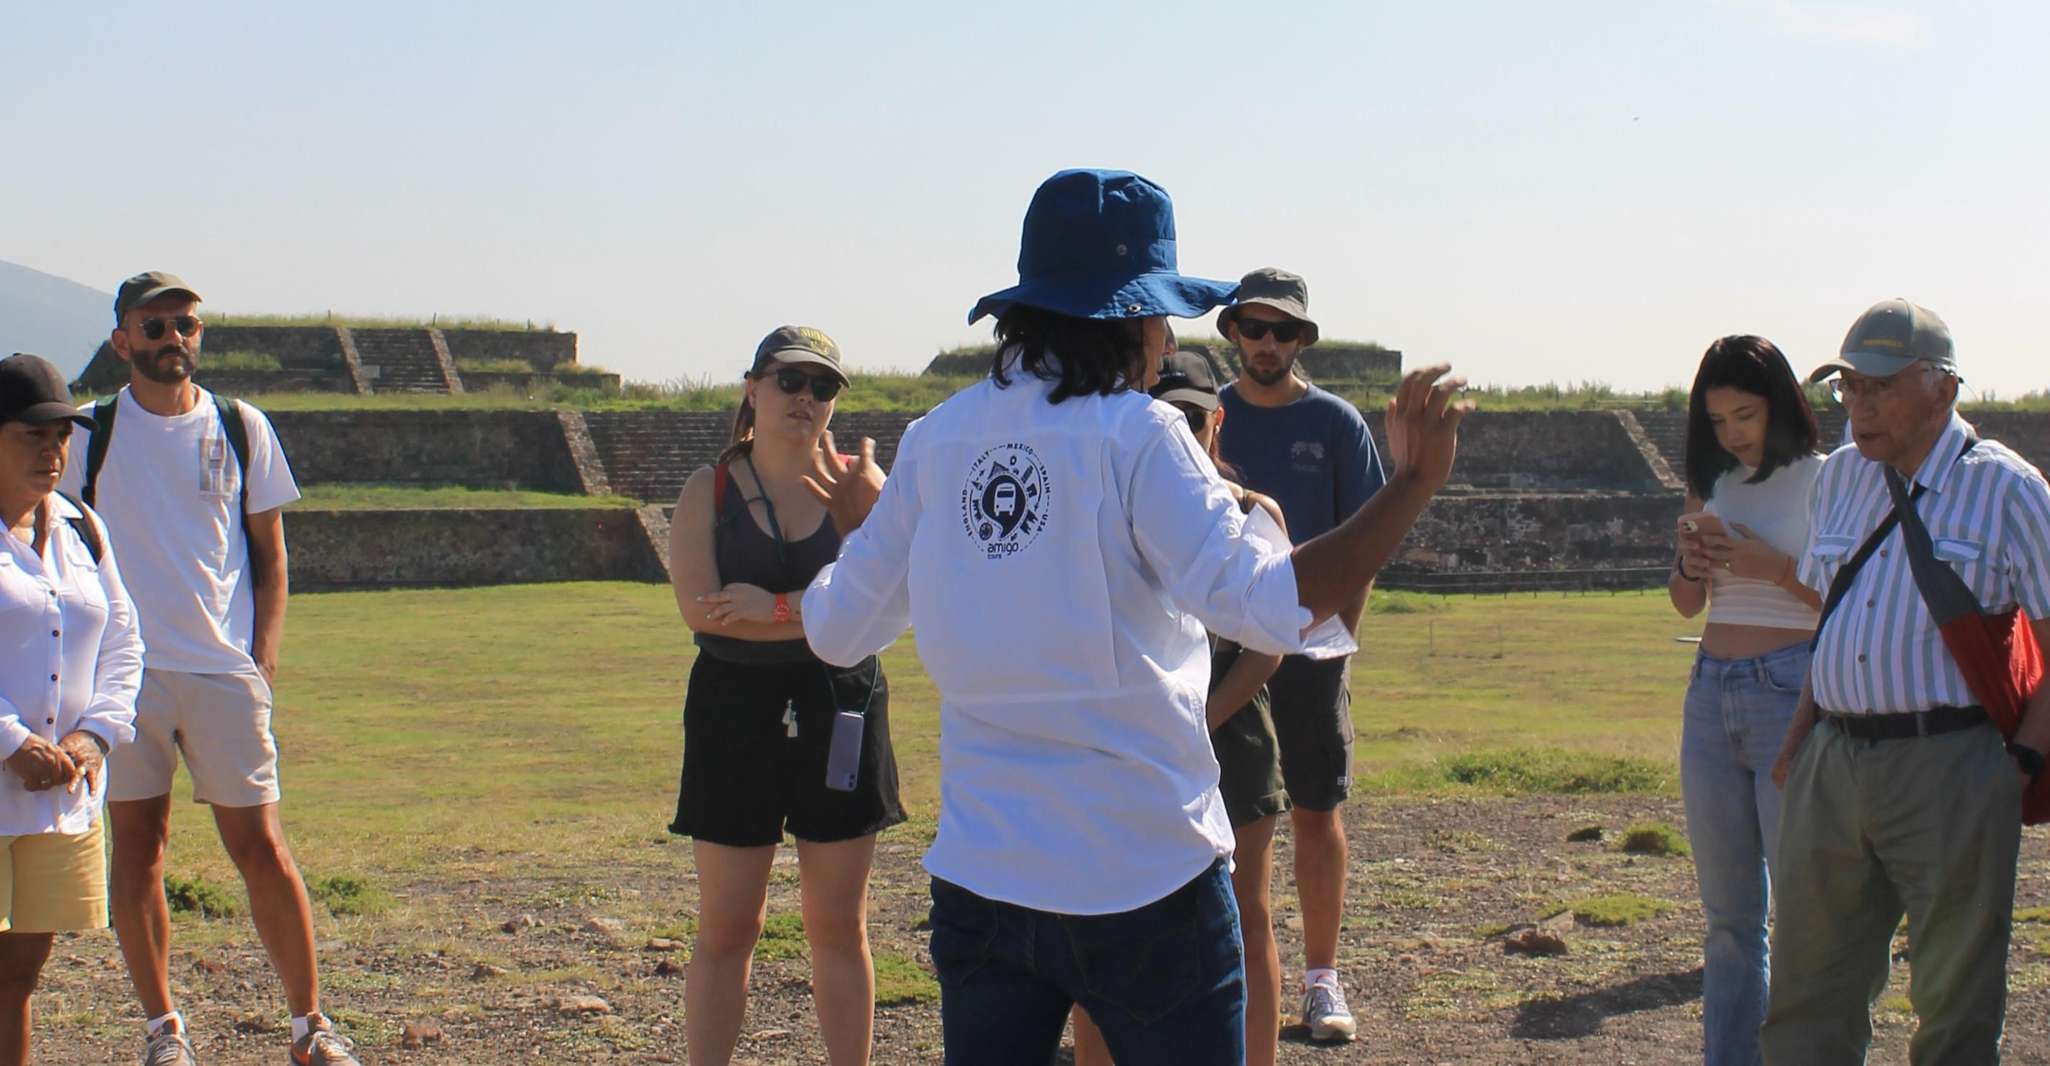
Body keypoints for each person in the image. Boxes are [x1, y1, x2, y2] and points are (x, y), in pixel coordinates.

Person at [797, 168, 1470, 1066]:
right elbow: (1273, 608)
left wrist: (871, 535)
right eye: (1161, 316)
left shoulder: (937, 441)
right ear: (1125, 317)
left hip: (987, 875)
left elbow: (837, 630)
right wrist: (1414, 483)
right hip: (1143, 873)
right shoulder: (1137, 433)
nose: (1165, 341)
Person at [55, 273, 358, 1066]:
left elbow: (271, 556)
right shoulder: (88, 434)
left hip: (221, 670)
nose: (171, 340)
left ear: (201, 333)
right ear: (122, 341)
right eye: (152, 327)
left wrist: (263, 658)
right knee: (140, 848)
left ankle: (310, 1024)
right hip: (125, 676)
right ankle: (163, 1029)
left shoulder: (240, 425)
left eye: (184, 324)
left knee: (262, 846)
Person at [1761, 299, 2050, 1064]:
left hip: (1951, 760)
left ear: (1942, 390)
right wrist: (1800, 742)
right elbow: (1835, 627)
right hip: (1834, 760)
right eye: (1848, 388)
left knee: (1954, 1004)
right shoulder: (1840, 481)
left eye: (1880, 387)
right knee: (1805, 992)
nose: (1860, 405)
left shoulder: (2009, 491)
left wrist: (2018, 758)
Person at [668, 326, 904, 1066]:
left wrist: (770, 607)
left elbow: (888, 600)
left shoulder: (862, 491)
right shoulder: (708, 488)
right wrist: (820, 607)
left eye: (823, 386)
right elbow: (703, 611)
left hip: (841, 699)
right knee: (728, 927)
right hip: (733, 707)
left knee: (839, 925)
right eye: (789, 381)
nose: (804, 398)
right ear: (752, 387)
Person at [1070, 350, 1308, 1066]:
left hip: (1229, 731)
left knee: (1245, 914)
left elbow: (1272, 641)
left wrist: (1201, 717)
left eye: (1192, 418)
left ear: (1217, 422)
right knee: (1098, 920)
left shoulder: (1253, 510)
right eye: (1163, 414)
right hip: (1134, 742)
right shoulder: (1110, 501)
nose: (1178, 430)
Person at [1213, 267, 1385, 1042]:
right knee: (1226, 820)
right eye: (1255, 327)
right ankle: (1231, 975)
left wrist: (1337, 633)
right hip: (1224, 656)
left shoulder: (1338, 422)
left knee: (1317, 808)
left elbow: (1366, 540)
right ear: (1234, 334)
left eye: (1283, 330)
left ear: (1301, 339)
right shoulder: (1202, 416)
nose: (1268, 342)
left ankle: (1321, 977)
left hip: (1312, 651)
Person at [1665, 335, 1822, 1066]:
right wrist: (1693, 564)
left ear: (1782, 404)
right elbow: (1684, 606)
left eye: (1747, 414)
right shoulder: (1712, 480)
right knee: (1728, 920)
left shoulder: (1829, 480)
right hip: (1710, 694)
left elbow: (1854, 602)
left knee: (1803, 910)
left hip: (1792, 689)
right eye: (1719, 418)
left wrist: (1775, 567)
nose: (1733, 433)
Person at [0, 353, 143, 1066]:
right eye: (32, 435)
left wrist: (94, 736)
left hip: (60, 801)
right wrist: (9, 740)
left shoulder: (85, 528)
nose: (51, 453)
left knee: (17, 981)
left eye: (61, 437)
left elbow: (123, 639)